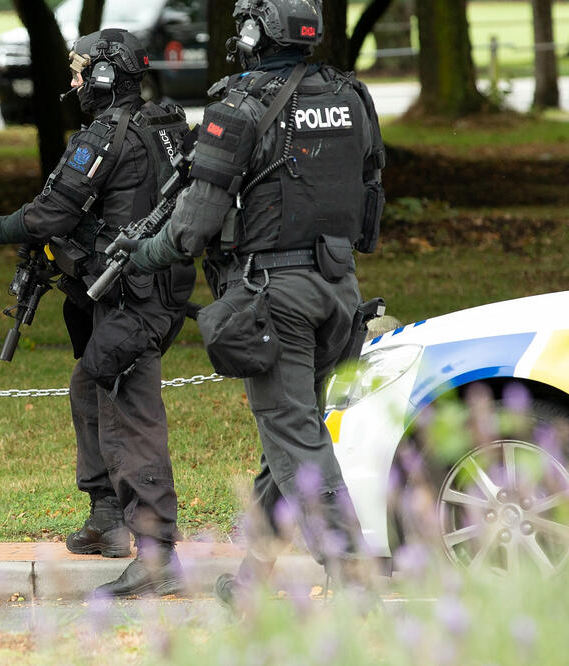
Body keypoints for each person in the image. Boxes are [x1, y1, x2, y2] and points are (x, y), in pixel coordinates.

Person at [125, 0, 386, 607]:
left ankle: (348, 570)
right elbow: (372, 188)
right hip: (339, 288)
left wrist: (142, 254)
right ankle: (252, 580)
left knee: (293, 434)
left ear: (251, 35)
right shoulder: (353, 96)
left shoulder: (237, 104)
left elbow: (192, 226)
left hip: (274, 296)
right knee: (293, 431)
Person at [0, 29, 196, 597]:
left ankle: (157, 556)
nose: (75, 83)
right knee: (88, 387)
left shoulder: (107, 134)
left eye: (83, 72)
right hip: (154, 288)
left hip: (133, 295)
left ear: (107, 77)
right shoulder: (166, 122)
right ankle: (106, 517)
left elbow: (47, 216)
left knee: (130, 414)